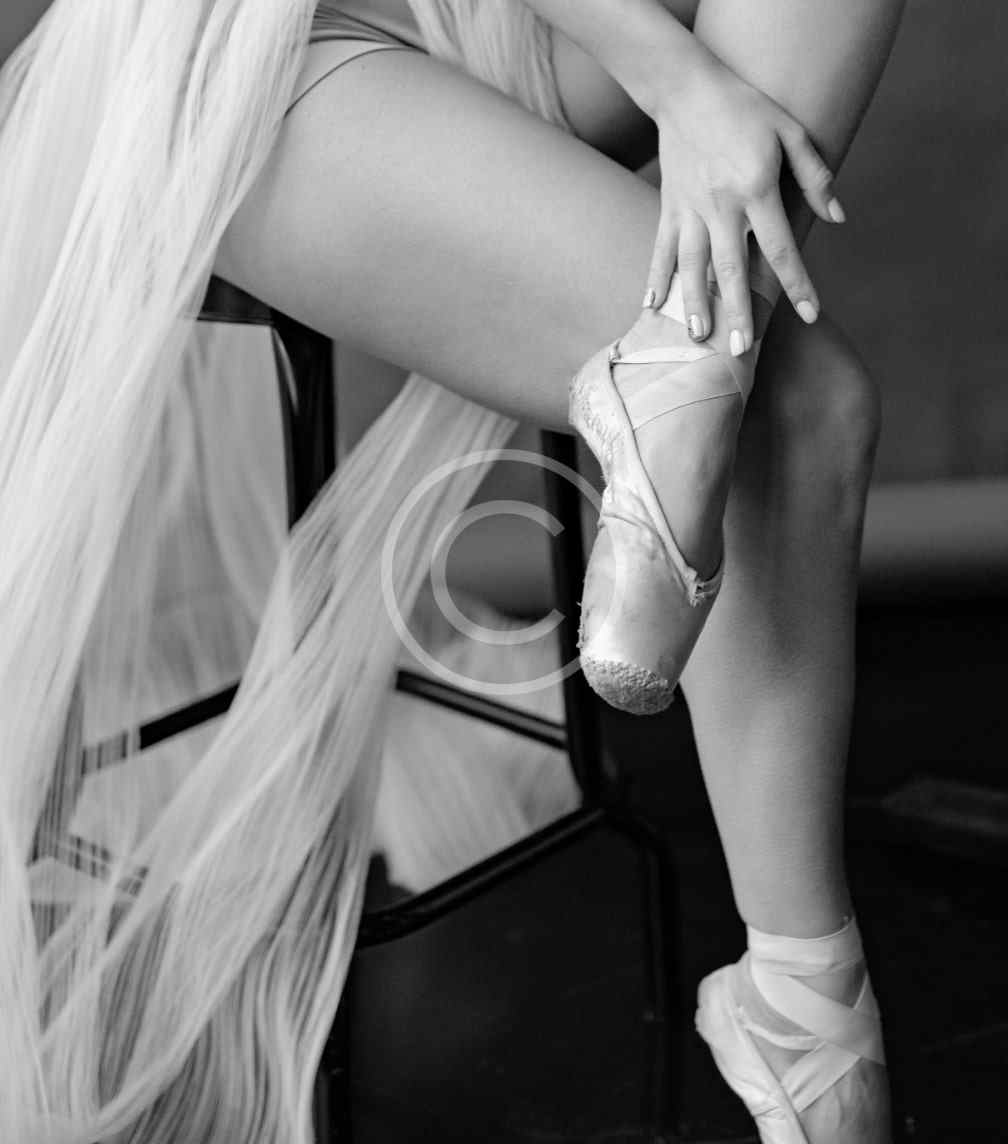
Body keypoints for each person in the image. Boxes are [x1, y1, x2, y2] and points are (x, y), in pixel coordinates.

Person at [0, 1, 904, 1141]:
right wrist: (681, 84)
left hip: (542, 40)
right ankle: (809, 1017)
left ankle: (688, 371)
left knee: (772, 398)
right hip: (263, 52)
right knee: (804, 407)